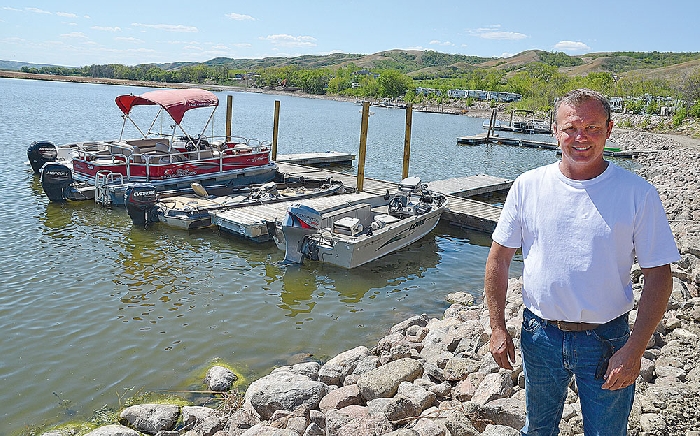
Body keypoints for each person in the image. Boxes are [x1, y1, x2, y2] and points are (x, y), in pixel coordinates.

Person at [484, 88, 680, 435]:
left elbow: (659, 276)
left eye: (592, 127)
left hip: (607, 340)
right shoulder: (528, 186)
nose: (581, 137)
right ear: (554, 131)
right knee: (538, 428)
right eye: (571, 127)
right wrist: (498, 328)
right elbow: (499, 259)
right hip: (539, 334)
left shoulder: (637, 193)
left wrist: (634, 349)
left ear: (610, 128)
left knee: (606, 431)